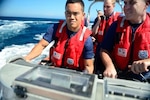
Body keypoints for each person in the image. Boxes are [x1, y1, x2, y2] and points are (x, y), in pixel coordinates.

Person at [24, 0, 94, 74]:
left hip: (74, 75)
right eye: (68, 13)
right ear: (65, 14)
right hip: (55, 71)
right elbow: (41, 45)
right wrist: (26, 59)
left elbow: (88, 66)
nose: (71, 17)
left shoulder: (87, 39)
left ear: (83, 16)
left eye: (75, 13)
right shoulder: (55, 29)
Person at [99, 0, 150, 82]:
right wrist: (109, 66)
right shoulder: (116, 26)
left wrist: (148, 61)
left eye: (132, 3)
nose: (126, 7)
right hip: (119, 76)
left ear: (146, 5)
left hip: (144, 80)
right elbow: (104, 50)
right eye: (125, 3)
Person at [92, 0, 121, 75]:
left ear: (114, 6)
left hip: (110, 53)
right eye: (104, 6)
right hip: (98, 51)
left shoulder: (118, 20)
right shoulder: (99, 18)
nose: (105, 9)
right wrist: (98, 21)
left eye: (108, 7)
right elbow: (94, 33)